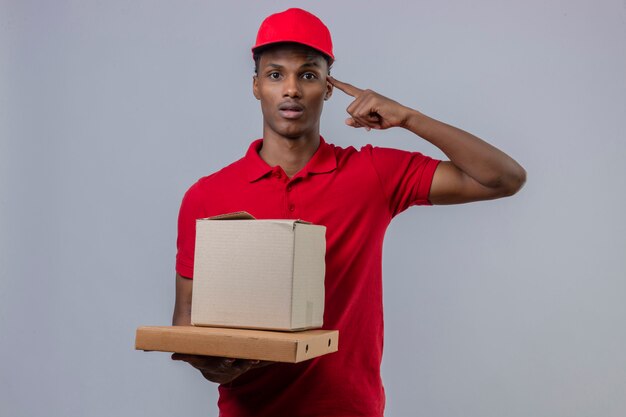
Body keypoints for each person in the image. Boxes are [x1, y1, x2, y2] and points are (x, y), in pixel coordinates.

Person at [171, 7, 526, 417]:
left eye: (308, 74)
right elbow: (185, 325)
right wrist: (214, 367)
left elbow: (504, 177)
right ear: (255, 86)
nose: (291, 89)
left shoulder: (371, 173)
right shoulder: (207, 195)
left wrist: (408, 117)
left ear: (327, 88)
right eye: (275, 75)